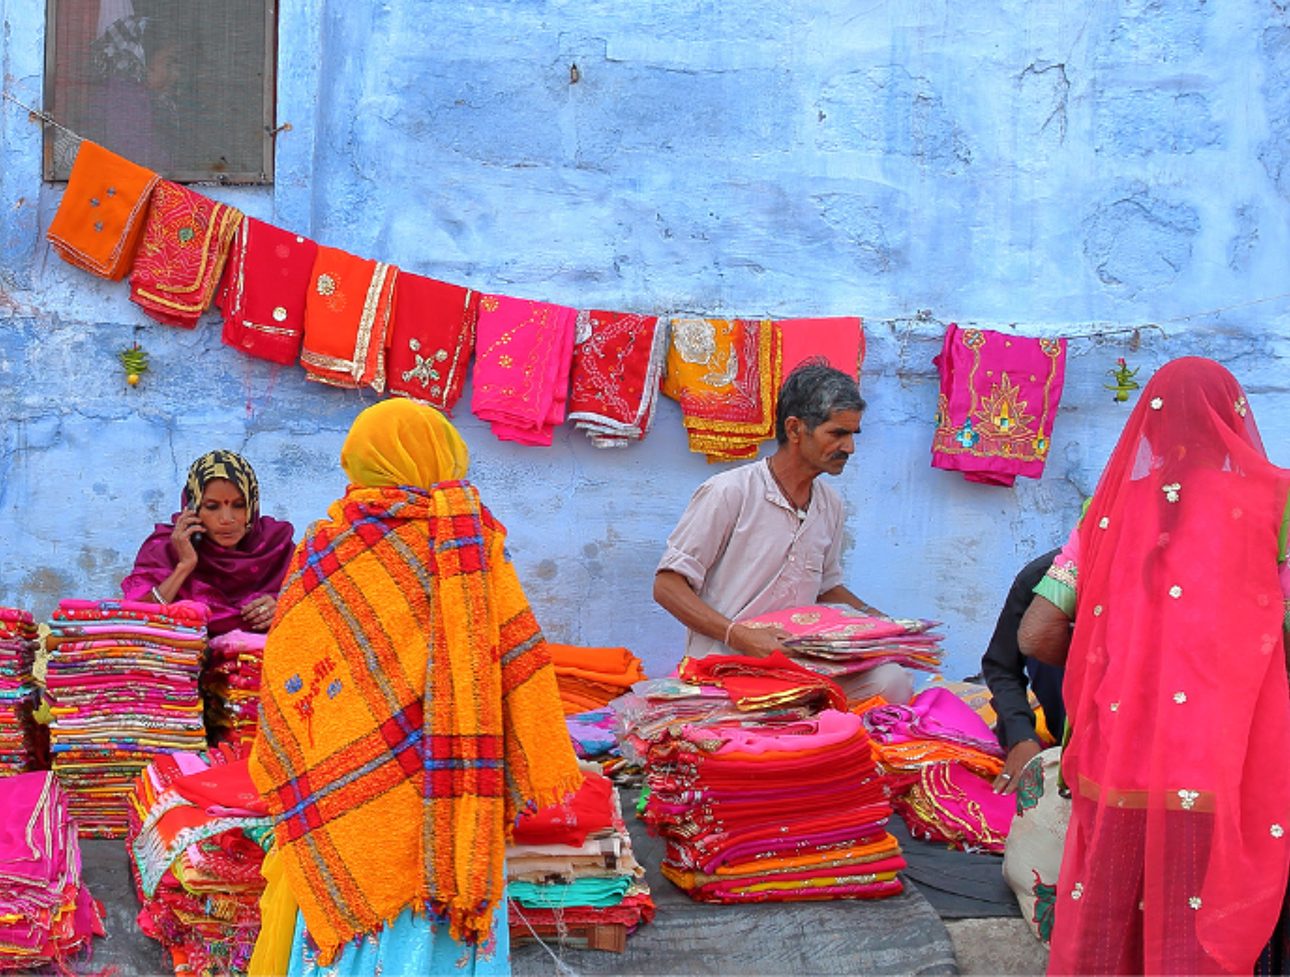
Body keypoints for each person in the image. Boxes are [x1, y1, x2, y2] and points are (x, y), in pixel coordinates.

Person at [248, 399, 580, 977]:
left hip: (344, 791)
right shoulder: (472, 545)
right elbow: (517, 665)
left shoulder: (326, 550)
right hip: (455, 801)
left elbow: (287, 671)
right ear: (442, 454)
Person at [1016, 358, 1290, 975]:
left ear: (1149, 428)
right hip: (1233, 772)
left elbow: (1036, 633)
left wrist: (1126, 671)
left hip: (1120, 766)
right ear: (1235, 421)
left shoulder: (1109, 510)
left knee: (1115, 945)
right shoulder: (1270, 498)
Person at [653, 360, 912, 703]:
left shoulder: (829, 504)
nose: (849, 448)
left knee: (893, 680)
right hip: (725, 666)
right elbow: (667, 586)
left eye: (852, 435)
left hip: (800, 670)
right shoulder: (729, 492)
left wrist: (879, 624)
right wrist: (738, 635)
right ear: (794, 429)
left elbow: (824, 588)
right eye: (837, 434)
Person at [122, 449, 295, 636]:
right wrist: (184, 566)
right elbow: (135, 621)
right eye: (212, 507)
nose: (227, 519)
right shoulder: (163, 550)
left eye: (239, 505)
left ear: (253, 506)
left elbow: (314, 612)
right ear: (192, 508)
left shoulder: (277, 549)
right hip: (184, 662)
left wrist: (282, 608)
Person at [981, 548, 1066, 792]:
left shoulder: (1172, 585)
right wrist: (1022, 736)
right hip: (1068, 736)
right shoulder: (1043, 576)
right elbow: (1001, 665)